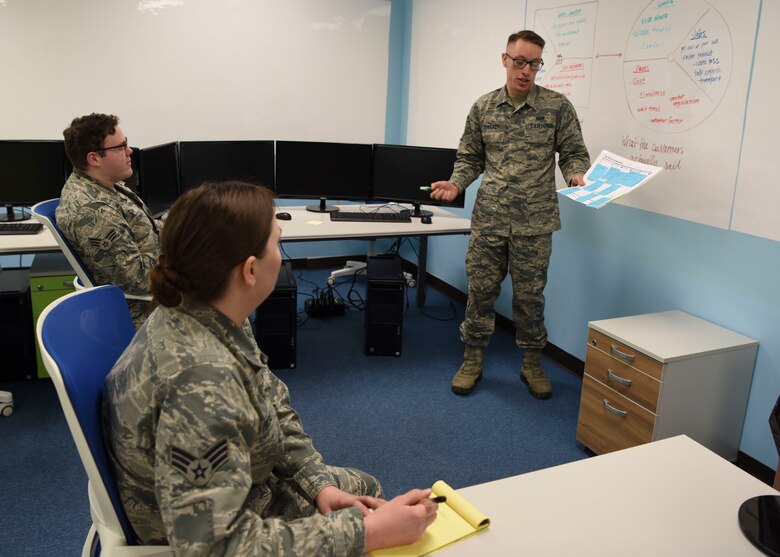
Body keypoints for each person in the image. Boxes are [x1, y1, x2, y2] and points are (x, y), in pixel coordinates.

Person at [102, 182, 438, 556]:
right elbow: (212, 547)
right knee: (372, 508)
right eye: (277, 243)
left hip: (241, 482)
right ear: (249, 270)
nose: (281, 254)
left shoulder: (203, 306)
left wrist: (318, 484)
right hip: (206, 528)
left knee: (360, 490)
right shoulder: (202, 384)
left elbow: (272, 401)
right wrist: (365, 534)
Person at [430, 30, 590, 399]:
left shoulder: (557, 107)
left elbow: (573, 153)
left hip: (535, 224)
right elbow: (469, 157)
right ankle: (472, 358)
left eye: (534, 64)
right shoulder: (484, 107)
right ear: (505, 59)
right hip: (490, 220)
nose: (526, 71)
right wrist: (456, 185)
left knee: (530, 299)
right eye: (520, 62)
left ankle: (531, 363)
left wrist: (577, 174)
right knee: (481, 293)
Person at [57, 113, 160, 329]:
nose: (129, 151)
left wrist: (188, 227)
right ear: (94, 159)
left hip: (155, 291)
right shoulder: (94, 211)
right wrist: (186, 254)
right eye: (121, 147)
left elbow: (145, 229)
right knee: (227, 299)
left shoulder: (106, 184)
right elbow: (138, 280)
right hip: (142, 313)